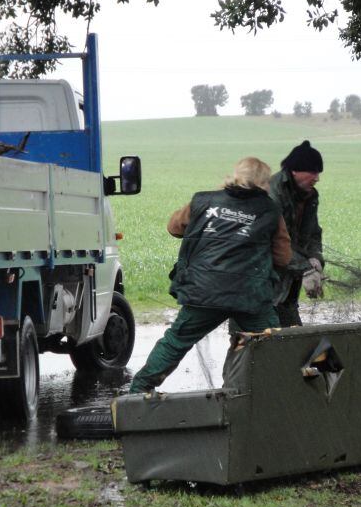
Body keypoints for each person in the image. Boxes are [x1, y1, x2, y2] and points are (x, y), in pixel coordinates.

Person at [129, 157, 291, 394]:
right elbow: (283, 257)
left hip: (204, 290)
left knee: (175, 342)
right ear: (264, 182)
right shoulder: (270, 210)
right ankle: (280, 395)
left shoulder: (203, 201)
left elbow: (174, 227)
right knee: (272, 344)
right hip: (250, 297)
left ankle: (138, 392)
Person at [269, 140, 324, 327]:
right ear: (295, 170)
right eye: (313, 172)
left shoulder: (310, 196)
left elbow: (314, 232)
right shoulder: (272, 193)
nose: (317, 178)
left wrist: (316, 258)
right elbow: (273, 241)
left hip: (290, 275)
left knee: (291, 335)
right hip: (264, 279)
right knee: (254, 338)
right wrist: (305, 268)